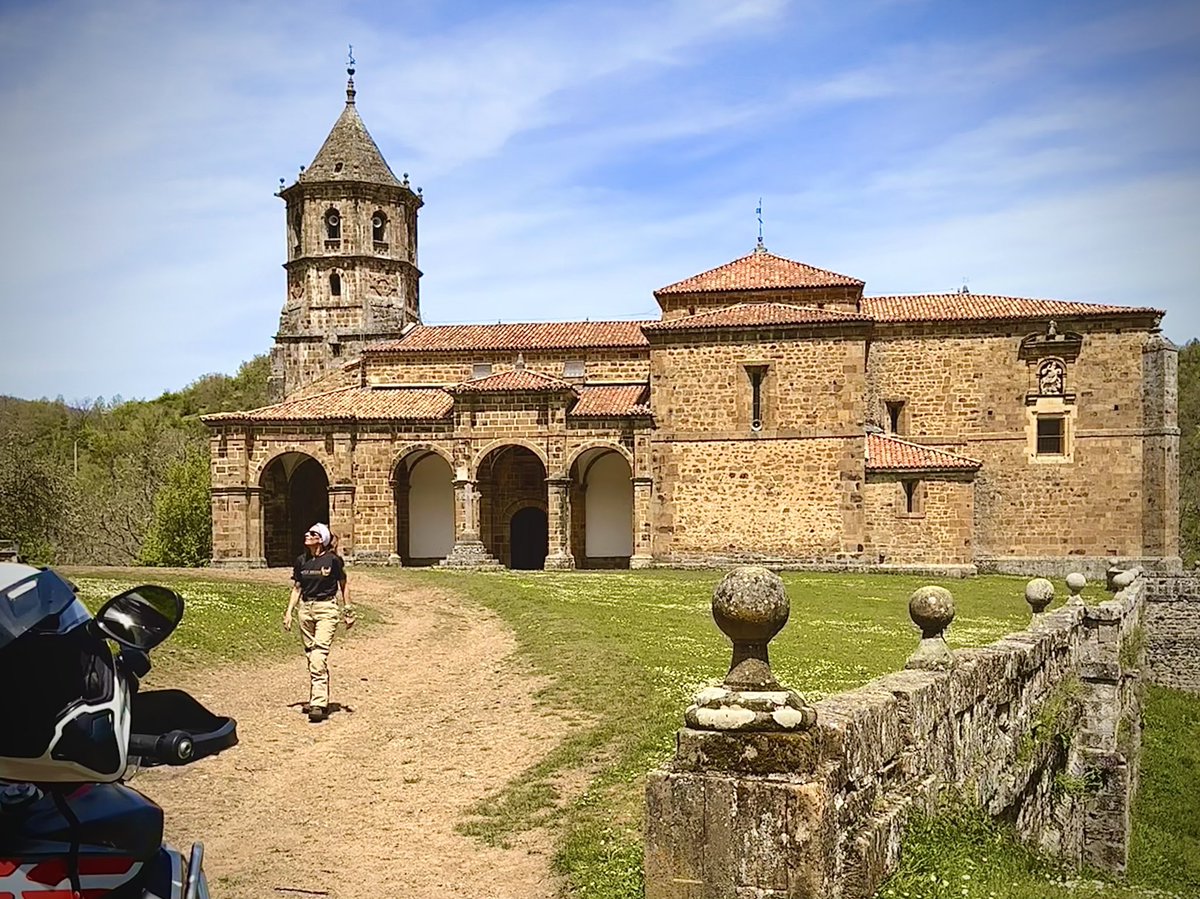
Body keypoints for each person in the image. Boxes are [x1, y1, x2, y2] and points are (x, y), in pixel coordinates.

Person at [283, 523, 353, 722]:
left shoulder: (333, 561)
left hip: (326, 609)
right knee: (310, 653)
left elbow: (343, 585)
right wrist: (289, 612)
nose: (307, 535)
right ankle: (317, 696)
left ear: (321, 539)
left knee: (319, 653)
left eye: (313, 533)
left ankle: (318, 703)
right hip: (306, 609)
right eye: (307, 533)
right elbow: (297, 588)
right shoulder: (301, 561)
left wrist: (348, 610)